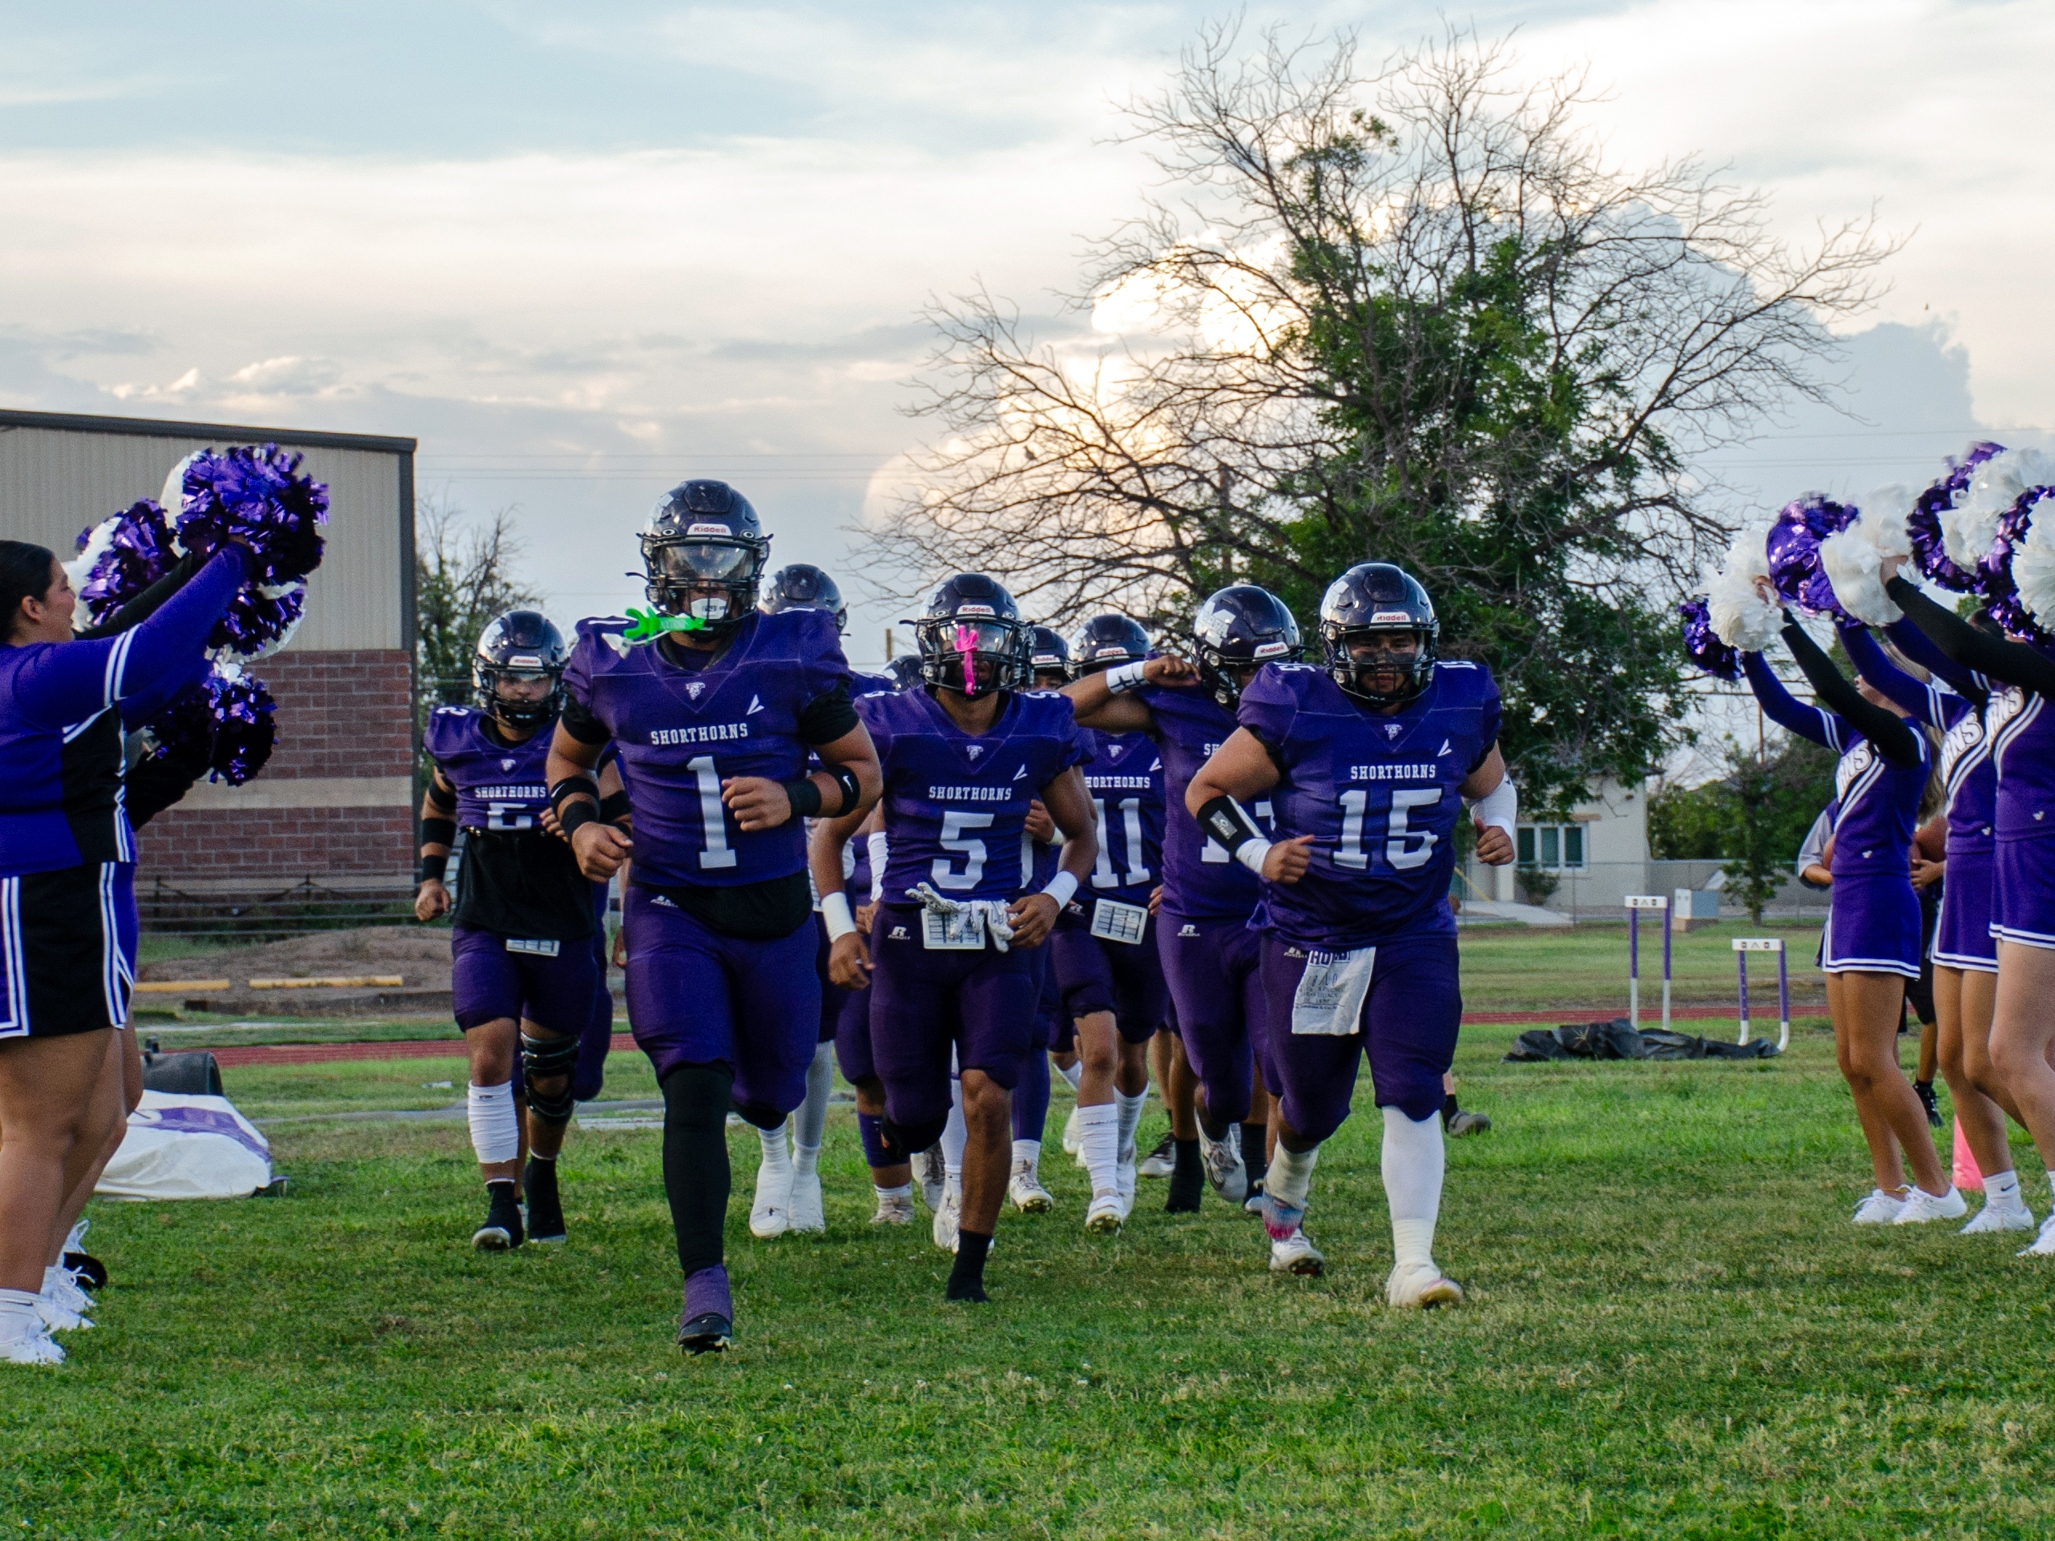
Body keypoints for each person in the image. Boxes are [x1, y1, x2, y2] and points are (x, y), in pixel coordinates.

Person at [547, 480, 880, 1352]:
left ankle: (769, 1134)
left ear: (754, 564)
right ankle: (704, 1281)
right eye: (690, 555)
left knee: (768, 1091)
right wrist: (582, 824)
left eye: (724, 555)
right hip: (669, 904)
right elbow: (565, 760)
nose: (706, 574)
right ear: (656, 566)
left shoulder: (791, 652)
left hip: (774, 913)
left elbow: (861, 773)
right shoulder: (612, 658)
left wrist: (797, 791)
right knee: (690, 1082)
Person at [1186, 563, 1515, 1305]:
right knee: (1308, 1108)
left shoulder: (1460, 700)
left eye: (1399, 639)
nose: (1387, 656)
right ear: (1339, 646)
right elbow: (1203, 788)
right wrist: (1259, 853)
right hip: (1312, 933)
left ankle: (1413, 1264)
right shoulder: (1294, 703)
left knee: (1413, 1089)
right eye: (1369, 642)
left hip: (1412, 931)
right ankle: (1285, 1193)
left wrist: (1499, 825)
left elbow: (1490, 780)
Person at [0, 536, 251, 1364]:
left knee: (104, 1109)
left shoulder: (46, 675)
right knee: (41, 1126)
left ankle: (35, 1277)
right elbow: (143, 649)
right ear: (30, 607)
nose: (75, 600)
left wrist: (198, 570)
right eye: (63, 588)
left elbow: (139, 661)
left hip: (77, 898)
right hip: (43, 906)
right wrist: (237, 562)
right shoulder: (34, 676)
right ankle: (8, 1312)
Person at [812, 573, 1096, 1303]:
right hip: (908, 935)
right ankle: (932, 1166)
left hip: (998, 937)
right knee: (910, 1115)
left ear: (1014, 646)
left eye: (987, 639)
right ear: (930, 645)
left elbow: (1081, 834)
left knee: (986, 1094)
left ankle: (969, 1264)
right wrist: (843, 927)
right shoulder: (890, 722)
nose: (972, 657)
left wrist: (1052, 895)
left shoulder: (1038, 724)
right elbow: (828, 836)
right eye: (959, 640)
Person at [1065, 585, 1297, 1217]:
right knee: (1216, 1080)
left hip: (1279, 909)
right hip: (1196, 914)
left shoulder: (1305, 703)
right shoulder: (1179, 707)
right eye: (1247, 664)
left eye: (1272, 664)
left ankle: (1279, 1203)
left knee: (1280, 1063)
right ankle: (1207, 1130)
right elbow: (1061, 708)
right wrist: (1137, 670)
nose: (1261, 679)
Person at [1740, 613, 1960, 1223]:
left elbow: (1834, 690)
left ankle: (1938, 1190)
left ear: (1894, 678)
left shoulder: (1908, 740)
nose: (1860, 679)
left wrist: (1785, 624)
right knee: (1850, 1060)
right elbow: (1786, 710)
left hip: (1883, 901)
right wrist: (1747, 645)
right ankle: (1891, 1189)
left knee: (1875, 1056)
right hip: (1847, 902)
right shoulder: (1857, 741)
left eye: (1871, 670)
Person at [416, 611, 611, 1251]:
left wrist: (585, 819)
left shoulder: (577, 741)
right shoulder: (458, 739)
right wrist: (430, 874)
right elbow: (441, 797)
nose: (523, 692)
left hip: (563, 922)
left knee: (552, 1078)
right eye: (512, 678)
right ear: (487, 678)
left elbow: (626, 810)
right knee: (488, 1052)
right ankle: (501, 1200)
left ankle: (544, 1173)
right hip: (486, 922)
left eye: (535, 680)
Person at [1885, 567, 2055, 1253]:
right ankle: (2009, 1199)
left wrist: (1890, 581)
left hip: (2036, 871)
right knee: (1980, 1059)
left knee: (2009, 1053)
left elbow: (1957, 643)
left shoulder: (2042, 677)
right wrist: (1852, 601)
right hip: (2011, 879)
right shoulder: (2001, 698)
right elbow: (1927, 655)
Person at [748, 562, 866, 1239]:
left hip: (830, 890)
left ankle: (807, 1165)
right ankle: (771, 1158)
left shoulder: (863, 695)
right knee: (764, 1033)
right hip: (762, 881)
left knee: (819, 1039)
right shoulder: (744, 693)